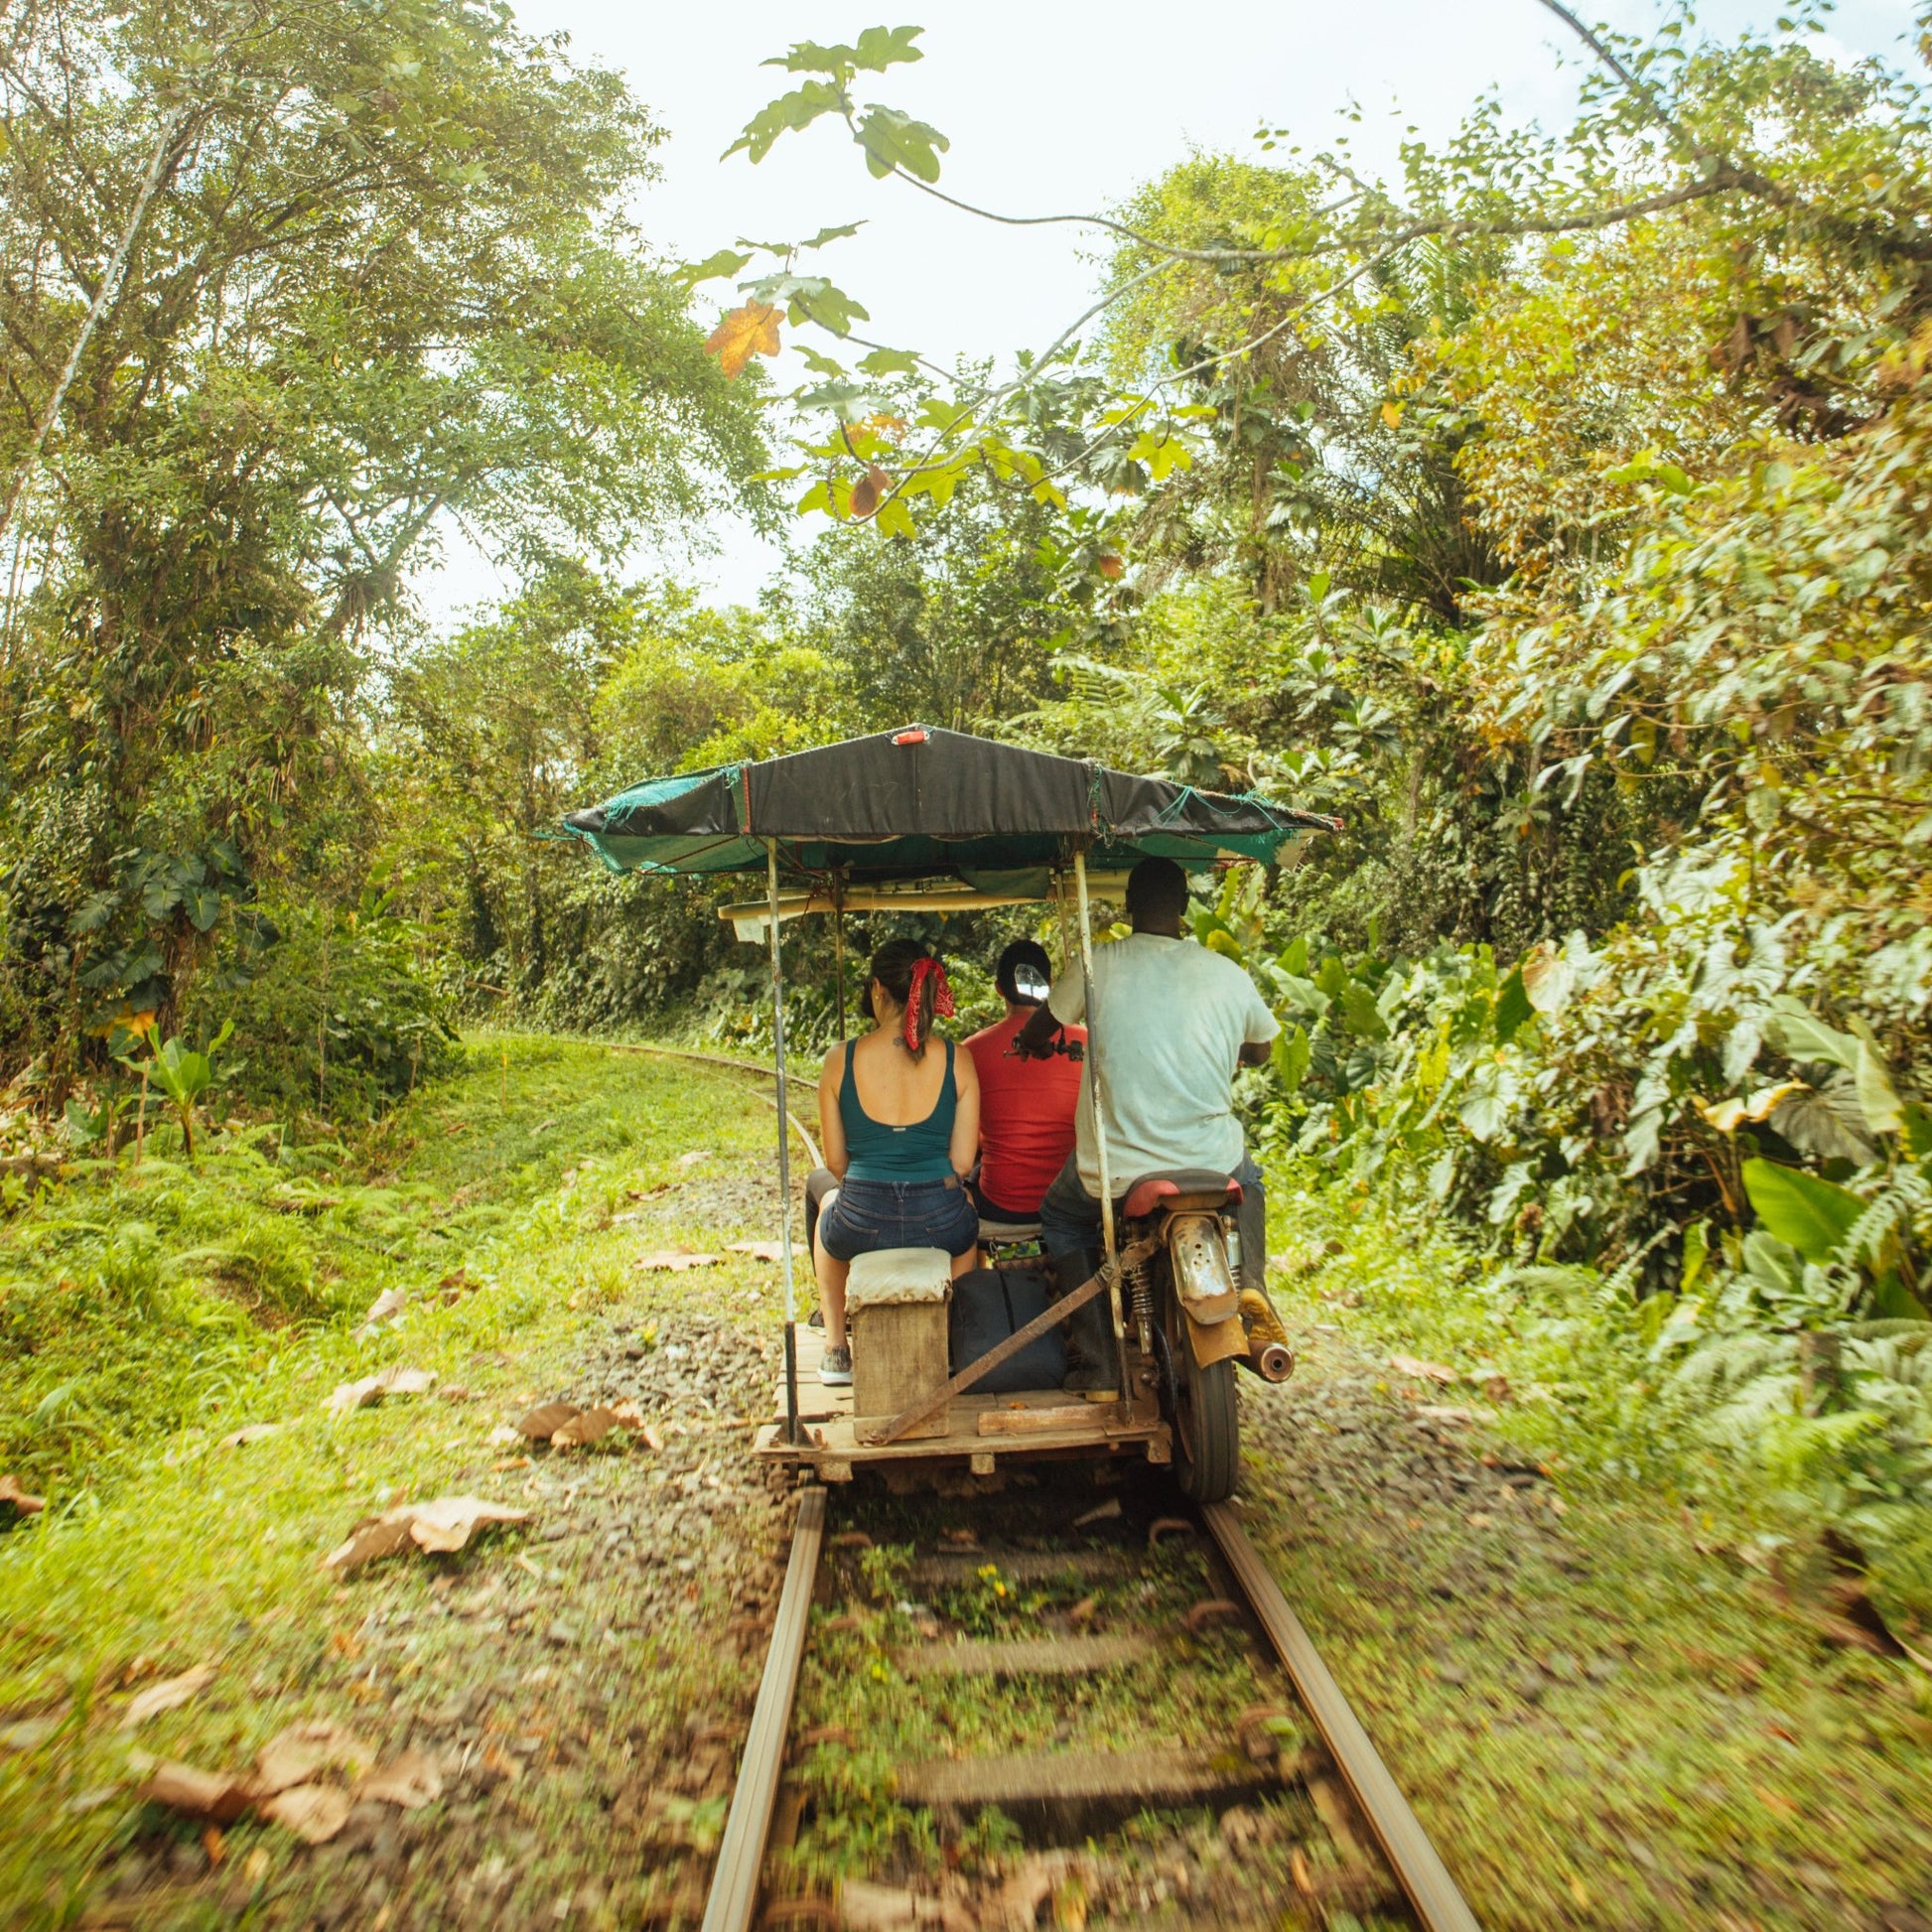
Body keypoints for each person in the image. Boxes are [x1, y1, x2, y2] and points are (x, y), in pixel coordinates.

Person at [1015, 856, 1277, 1398]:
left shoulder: (1098, 964)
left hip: (1117, 1169)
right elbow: (1261, 1049)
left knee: (1062, 1218)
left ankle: (1101, 1367)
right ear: (1185, 906)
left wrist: (1030, 1043)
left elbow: (1042, 1028)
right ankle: (1252, 1285)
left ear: (1128, 905)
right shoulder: (1227, 972)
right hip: (1212, 1160)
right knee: (1249, 1183)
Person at [811, 939, 981, 1387]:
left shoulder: (839, 1059)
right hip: (940, 1223)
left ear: (877, 989)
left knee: (826, 1211)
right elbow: (963, 1163)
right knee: (967, 1223)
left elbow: (836, 1162)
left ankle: (836, 1349)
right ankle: (949, 1343)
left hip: (861, 1221)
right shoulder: (958, 1059)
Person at [962, 938, 1086, 1223]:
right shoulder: (1084, 1041)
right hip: (1071, 1200)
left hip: (1002, 1202)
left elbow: (966, 1142)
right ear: (1050, 983)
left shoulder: (970, 1050)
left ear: (999, 989)